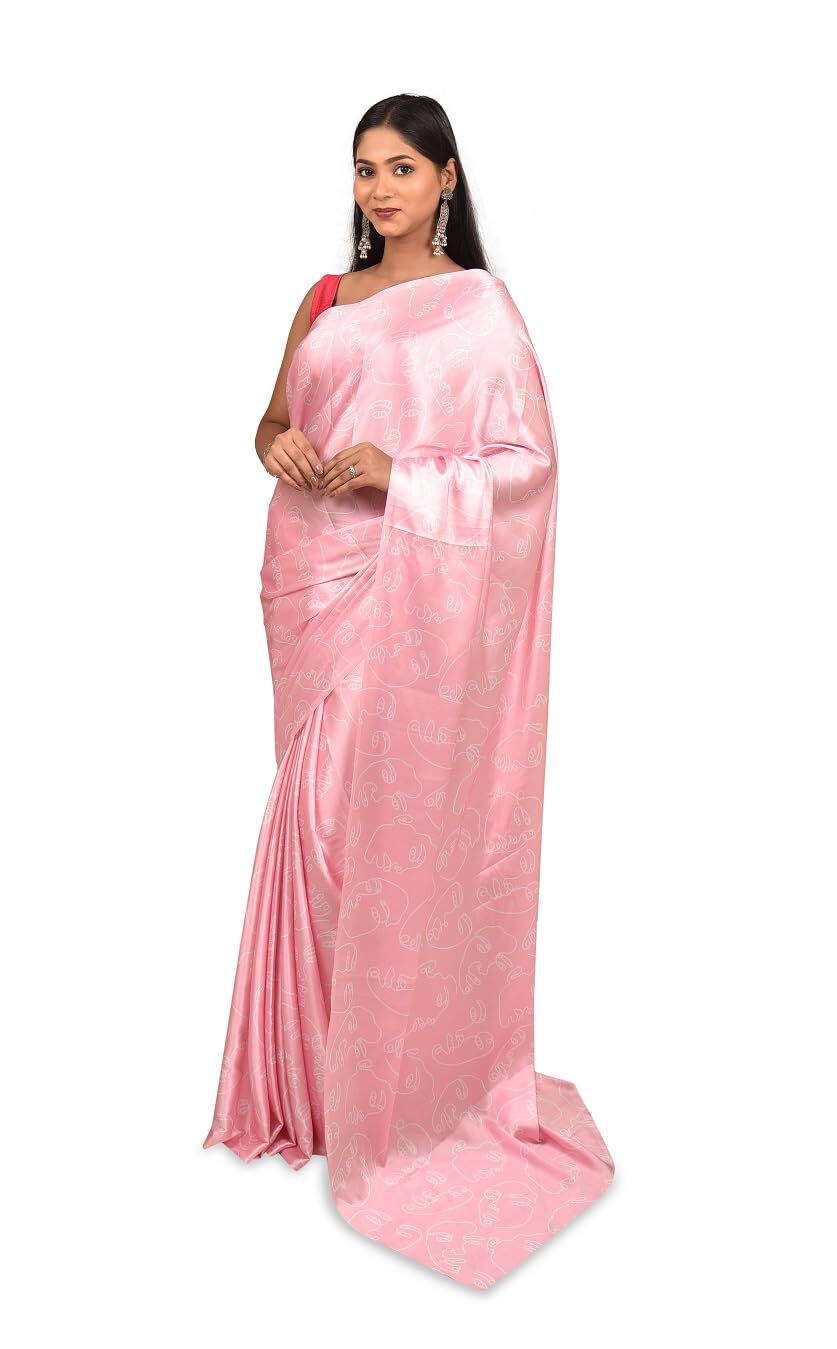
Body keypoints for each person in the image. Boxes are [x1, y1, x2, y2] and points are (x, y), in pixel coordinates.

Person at [203, 92, 615, 1291]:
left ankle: (398, 1080)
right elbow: (274, 417)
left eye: (399, 168)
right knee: (311, 821)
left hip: (408, 580)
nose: (377, 189)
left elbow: (528, 468)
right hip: (309, 574)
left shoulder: (481, 310)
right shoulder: (325, 299)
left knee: (365, 825)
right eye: (363, 169)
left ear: (446, 178)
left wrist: (406, 470)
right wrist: (275, 442)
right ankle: (312, 1083)